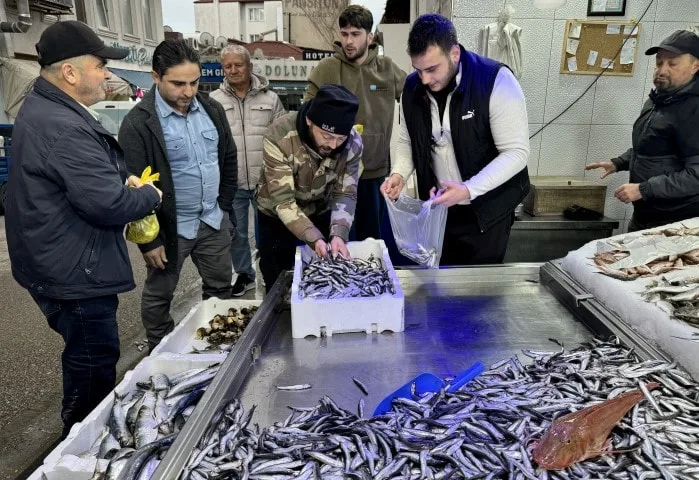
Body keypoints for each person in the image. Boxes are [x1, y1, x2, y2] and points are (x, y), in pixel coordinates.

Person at [4, 21, 162, 438]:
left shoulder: (44, 108)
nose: (107, 74)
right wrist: (149, 195)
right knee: (92, 363)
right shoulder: (65, 125)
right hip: (75, 270)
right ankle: (80, 445)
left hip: (58, 258)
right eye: (99, 65)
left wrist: (112, 182)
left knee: (87, 356)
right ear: (70, 73)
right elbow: (107, 204)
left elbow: (78, 185)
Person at [381, 14, 530, 265]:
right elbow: (408, 140)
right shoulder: (412, 88)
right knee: (441, 284)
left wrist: (468, 189)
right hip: (441, 209)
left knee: (479, 289)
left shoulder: (496, 80)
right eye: (418, 70)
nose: (425, 79)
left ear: (454, 54)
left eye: (432, 69)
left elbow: (516, 152)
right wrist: (399, 173)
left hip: (487, 211)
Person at [118, 39, 238, 350]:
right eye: (178, 83)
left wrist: (223, 207)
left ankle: (217, 344)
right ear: (156, 77)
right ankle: (161, 351)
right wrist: (149, 241)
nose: (188, 91)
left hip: (212, 221)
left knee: (220, 288)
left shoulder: (211, 109)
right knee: (160, 296)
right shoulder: (138, 123)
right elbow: (133, 186)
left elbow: (228, 158)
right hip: (170, 228)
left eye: (195, 82)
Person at [305, 5, 406, 241]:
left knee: (372, 241)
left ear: (370, 37)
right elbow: (306, 114)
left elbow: (415, 98)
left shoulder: (387, 69)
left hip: (374, 173)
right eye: (344, 34)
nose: (348, 41)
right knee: (340, 240)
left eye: (355, 34)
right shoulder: (326, 69)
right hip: (334, 175)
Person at [585, 30, 699, 232]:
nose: (662, 70)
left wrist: (643, 189)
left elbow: (696, 175)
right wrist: (618, 163)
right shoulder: (659, 100)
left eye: (672, 64)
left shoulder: (693, 110)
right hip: (646, 216)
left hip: (676, 224)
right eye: (659, 63)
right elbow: (652, 147)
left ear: (695, 66)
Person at [257, 84, 362, 291]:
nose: (333, 145)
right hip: (277, 217)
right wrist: (314, 239)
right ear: (309, 120)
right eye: (327, 136)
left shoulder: (353, 143)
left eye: (339, 138)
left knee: (326, 282)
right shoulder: (279, 136)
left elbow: (346, 193)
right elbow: (283, 201)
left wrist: (338, 233)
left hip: (320, 210)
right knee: (279, 282)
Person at [210, 45, 285, 296]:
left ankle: (270, 274)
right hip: (233, 182)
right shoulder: (215, 101)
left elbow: (282, 137)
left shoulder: (270, 99)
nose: (233, 70)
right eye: (227, 66)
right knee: (237, 234)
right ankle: (245, 275)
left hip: (266, 181)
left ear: (249, 66)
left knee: (269, 233)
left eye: (238, 65)